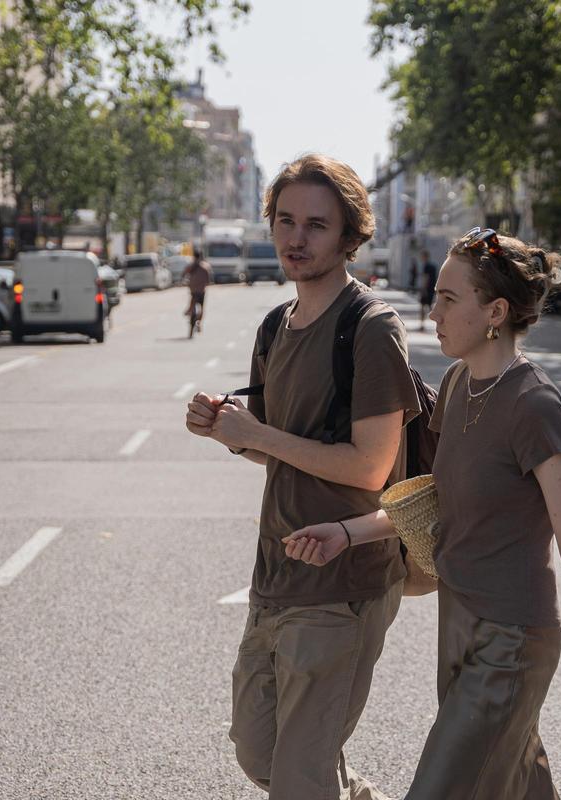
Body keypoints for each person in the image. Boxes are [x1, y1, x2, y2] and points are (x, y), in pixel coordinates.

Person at [283, 227, 561, 799]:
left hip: (510, 643)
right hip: (457, 624)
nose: (433, 312)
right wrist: (345, 532)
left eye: (449, 299)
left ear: (495, 312)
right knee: (518, 785)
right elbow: (438, 500)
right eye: (437, 296)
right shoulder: (458, 383)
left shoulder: (536, 407)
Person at [185, 154, 421, 800]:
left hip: (344, 580)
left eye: (316, 225)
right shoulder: (275, 326)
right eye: (286, 221)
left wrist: (257, 435)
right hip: (276, 575)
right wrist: (228, 431)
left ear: (349, 236)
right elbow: (277, 449)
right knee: (257, 748)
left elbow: (370, 465)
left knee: (298, 780)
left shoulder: (370, 329)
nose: (296, 238)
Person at [182, 247, 213, 334]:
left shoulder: (190, 266)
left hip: (193, 289)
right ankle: (199, 322)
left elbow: (184, 274)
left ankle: (189, 310)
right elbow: (208, 281)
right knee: (202, 308)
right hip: (201, 291)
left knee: (192, 301)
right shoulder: (205, 266)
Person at [419, 249, 437, 331]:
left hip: (427, 289)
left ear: (425, 256)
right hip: (432, 289)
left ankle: (422, 325)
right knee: (430, 306)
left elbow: (426, 278)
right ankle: (438, 322)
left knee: (423, 307)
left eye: (422, 256)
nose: (421, 258)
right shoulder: (433, 266)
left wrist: (423, 289)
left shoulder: (426, 266)